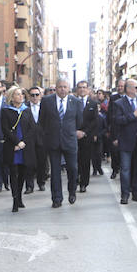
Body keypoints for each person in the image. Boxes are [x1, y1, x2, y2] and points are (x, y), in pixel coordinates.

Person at [38, 79, 82, 208]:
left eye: (65, 87)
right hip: (53, 141)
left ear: (69, 89)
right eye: (60, 87)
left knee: (73, 169)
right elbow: (42, 120)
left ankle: (72, 191)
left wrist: (74, 132)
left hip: (70, 140)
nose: (62, 89)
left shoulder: (76, 102)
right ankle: (56, 198)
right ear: (56, 88)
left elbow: (79, 121)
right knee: (55, 171)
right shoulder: (47, 101)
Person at [1, 86, 36, 212]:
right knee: (13, 173)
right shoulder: (6, 111)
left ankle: (20, 197)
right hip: (12, 146)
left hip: (25, 147)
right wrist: (16, 142)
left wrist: (23, 143)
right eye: (17, 94)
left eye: (21, 94)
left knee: (22, 173)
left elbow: (32, 128)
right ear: (12, 97)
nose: (20, 96)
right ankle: (15, 199)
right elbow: (5, 129)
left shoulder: (26, 110)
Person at [74, 80, 99, 193]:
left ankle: (84, 183)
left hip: (86, 136)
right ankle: (75, 180)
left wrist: (84, 132)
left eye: (84, 87)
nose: (82, 89)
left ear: (88, 89)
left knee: (85, 161)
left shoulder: (93, 104)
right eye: (80, 87)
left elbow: (94, 121)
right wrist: (75, 131)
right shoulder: (72, 102)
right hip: (73, 136)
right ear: (77, 89)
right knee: (74, 161)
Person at [26, 86, 47, 193]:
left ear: (40, 96)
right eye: (32, 95)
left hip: (42, 138)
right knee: (29, 163)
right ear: (29, 96)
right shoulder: (24, 107)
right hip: (28, 139)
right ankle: (29, 185)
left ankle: (41, 182)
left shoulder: (45, 107)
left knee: (41, 162)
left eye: (37, 95)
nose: (34, 97)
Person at [109, 79, 126, 179]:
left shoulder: (129, 98)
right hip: (115, 127)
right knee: (114, 151)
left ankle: (123, 169)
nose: (120, 88)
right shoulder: (113, 98)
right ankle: (115, 169)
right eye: (118, 86)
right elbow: (110, 114)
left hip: (126, 128)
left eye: (122, 86)